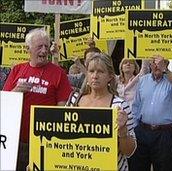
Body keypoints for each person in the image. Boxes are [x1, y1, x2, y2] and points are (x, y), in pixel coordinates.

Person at [3, 28, 73, 170]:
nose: (43, 50)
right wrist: (16, 91)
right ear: (28, 48)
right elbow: (4, 102)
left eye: (46, 46)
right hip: (16, 141)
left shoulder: (59, 73)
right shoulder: (17, 69)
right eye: (39, 46)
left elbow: (63, 109)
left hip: (44, 142)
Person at [66, 52, 136, 171]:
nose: (95, 75)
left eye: (100, 71)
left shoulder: (119, 106)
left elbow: (129, 151)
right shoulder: (74, 100)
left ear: (110, 76)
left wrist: (123, 131)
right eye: (91, 71)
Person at [129, 55, 172, 170]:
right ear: (150, 64)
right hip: (142, 132)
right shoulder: (143, 81)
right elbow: (136, 106)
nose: (157, 66)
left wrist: (165, 70)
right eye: (154, 63)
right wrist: (134, 130)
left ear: (166, 64)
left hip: (164, 134)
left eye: (160, 63)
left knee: (164, 167)